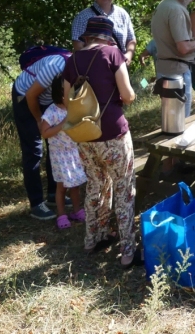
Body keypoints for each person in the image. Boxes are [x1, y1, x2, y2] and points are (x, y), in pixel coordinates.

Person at [62, 16, 139, 266]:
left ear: (87, 37)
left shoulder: (72, 60)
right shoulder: (113, 53)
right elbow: (127, 96)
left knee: (96, 185)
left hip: (85, 136)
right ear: (107, 37)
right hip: (113, 134)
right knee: (124, 189)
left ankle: (93, 238)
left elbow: (66, 101)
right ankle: (127, 251)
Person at [13, 50, 67, 220]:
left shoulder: (81, 69)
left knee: (55, 143)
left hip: (46, 98)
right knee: (34, 150)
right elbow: (31, 95)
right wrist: (38, 120)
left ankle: (53, 193)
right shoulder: (56, 66)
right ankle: (36, 203)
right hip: (25, 96)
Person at [39, 76, 87, 230]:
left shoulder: (73, 108)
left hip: (73, 151)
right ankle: (61, 214)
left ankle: (76, 210)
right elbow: (45, 133)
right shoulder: (52, 111)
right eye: (68, 92)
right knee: (62, 186)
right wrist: (61, 124)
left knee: (75, 184)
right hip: (60, 155)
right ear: (60, 93)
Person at [71, 0, 137, 65]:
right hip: (95, 71)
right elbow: (78, 48)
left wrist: (128, 56)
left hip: (120, 67)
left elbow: (131, 39)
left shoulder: (123, 15)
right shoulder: (82, 17)